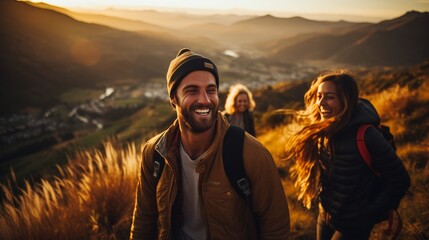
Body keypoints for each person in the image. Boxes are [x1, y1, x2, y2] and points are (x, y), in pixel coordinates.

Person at [130, 48, 290, 240]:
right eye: (192, 90)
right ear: (173, 98)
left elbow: (275, 228)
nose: (204, 100)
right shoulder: (155, 153)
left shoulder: (251, 153)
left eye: (211, 90)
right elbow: (143, 221)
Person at [283, 72, 410, 240]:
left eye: (330, 97)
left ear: (346, 101)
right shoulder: (322, 131)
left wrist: (367, 215)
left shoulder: (367, 135)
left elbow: (400, 181)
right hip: (325, 216)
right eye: (319, 96)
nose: (321, 103)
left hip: (353, 225)